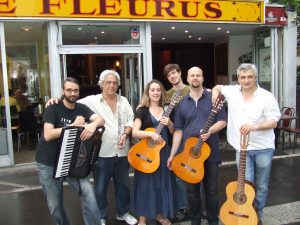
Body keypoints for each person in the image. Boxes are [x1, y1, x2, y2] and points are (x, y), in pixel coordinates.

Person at [211, 63, 281, 224]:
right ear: (239, 79)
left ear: (255, 77)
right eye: (243, 77)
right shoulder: (233, 92)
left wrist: (254, 126)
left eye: (250, 77)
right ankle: (245, 214)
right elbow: (218, 87)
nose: (246, 80)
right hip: (241, 147)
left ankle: (257, 216)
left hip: (263, 147)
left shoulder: (266, 96)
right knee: (246, 186)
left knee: (261, 186)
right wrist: (215, 94)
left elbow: (273, 122)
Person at [36, 77, 105, 225]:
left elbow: (100, 119)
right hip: (48, 162)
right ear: (63, 91)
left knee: (88, 193)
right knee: (55, 205)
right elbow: (48, 135)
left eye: (75, 90)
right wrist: (73, 126)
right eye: (69, 90)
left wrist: (92, 126)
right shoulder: (53, 108)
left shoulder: (81, 108)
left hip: (71, 160)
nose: (72, 93)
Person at [167, 66, 227, 225]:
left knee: (212, 191)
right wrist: (173, 155)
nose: (195, 78)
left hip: (210, 153)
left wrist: (210, 130)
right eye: (192, 75)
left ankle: (213, 221)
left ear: (202, 78)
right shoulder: (182, 104)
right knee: (192, 192)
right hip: (189, 155)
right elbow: (178, 131)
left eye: (198, 75)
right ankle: (195, 220)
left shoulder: (212, 98)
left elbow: (222, 121)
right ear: (187, 79)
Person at [132, 79, 176, 225]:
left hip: (163, 153)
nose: (156, 92)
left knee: (160, 184)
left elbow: (173, 132)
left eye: (158, 90)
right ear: (148, 93)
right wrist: (150, 134)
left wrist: (169, 123)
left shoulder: (168, 110)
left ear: (162, 92)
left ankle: (158, 214)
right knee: (145, 185)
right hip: (146, 154)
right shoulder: (142, 110)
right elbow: (134, 132)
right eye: (152, 90)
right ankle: (142, 219)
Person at [162, 63, 190, 220]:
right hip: (176, 138)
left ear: (180, 73)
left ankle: (198, 206)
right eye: (169, 75)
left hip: (194, 137)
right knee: (179, 175)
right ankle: (182, 207)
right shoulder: (166, 95)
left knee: (196, 173)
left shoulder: (191, 89)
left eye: (174, 73)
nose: (172, 76)